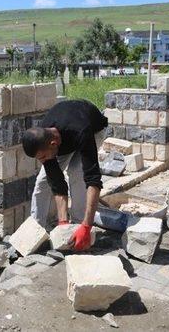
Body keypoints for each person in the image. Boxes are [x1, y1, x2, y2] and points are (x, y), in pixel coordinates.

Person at [22, 99, 108, 251]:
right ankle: (36, 229)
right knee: (43, 181)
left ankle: (79, 227)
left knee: (77, 173)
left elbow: (93, 179)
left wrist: (87, 227)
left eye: (42, 157)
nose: (42, 161)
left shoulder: (81, 130)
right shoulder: (44, 138)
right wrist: (62, 222)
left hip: (93, 131)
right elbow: (57, 182)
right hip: (65, 137)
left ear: (53, 145)